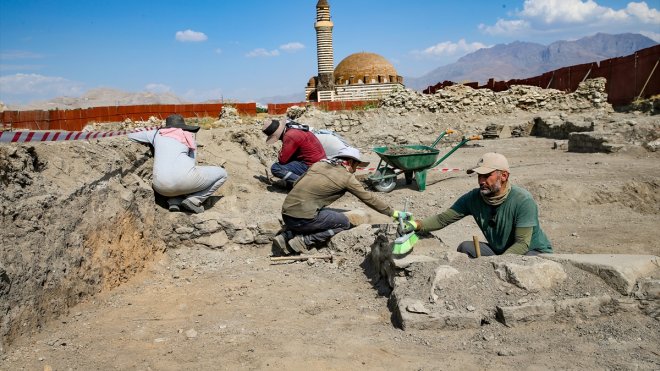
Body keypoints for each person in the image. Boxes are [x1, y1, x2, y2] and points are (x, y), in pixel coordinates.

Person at [401, 152, 552, 257]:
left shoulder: (523, 200)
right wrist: (416, 225)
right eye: (479, 176)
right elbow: (442, 219)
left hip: (532, 253)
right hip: (501, 252)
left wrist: (497, 265)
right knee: (466, 248)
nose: (481, 181)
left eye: (487, 176)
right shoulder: (474, 197)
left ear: (504, 176)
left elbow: (522, 244)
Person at [273, 147, 409, 255]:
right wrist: (393, 213)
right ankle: (304, 241)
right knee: (343, 222)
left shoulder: (319, 165)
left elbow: (297, 182)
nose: (355, 170)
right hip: (301, 218)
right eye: (356, 166)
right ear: (350, 162)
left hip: (286, 213)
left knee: (319, 212)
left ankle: (287, 235)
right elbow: (369, 198)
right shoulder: (346, 177)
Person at [127, 114, 228, 213]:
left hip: (160, 188)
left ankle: (174, 201)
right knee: (222, 174)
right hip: (184, 181)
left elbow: (130, 134)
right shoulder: (187, 137)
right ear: (183, 127)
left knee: (174, 174)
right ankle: (194, 200)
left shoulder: (156, 134)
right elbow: (191, 162)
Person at [262, 118, 326, 188]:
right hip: (320, 163)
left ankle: (305, 185)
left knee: (276, 168)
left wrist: (281, 152)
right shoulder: (296, 129)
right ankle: (291, 184)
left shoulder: (289, 135)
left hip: (311, 165)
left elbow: (283, 160)